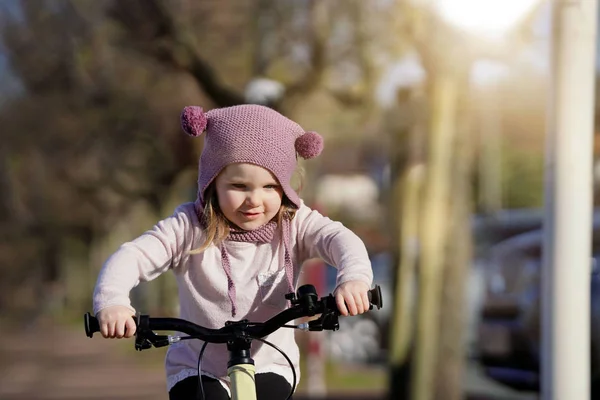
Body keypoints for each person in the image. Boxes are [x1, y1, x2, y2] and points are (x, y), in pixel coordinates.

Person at [93, 104, 374, 400]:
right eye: (239, 185)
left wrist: (354, 279)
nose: (255, 199)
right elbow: (133, 256)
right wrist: (113, 302)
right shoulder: (188, 227)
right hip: (198, 368)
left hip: (271, 363)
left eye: (270, 186)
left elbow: (339, 239)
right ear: (212, 182)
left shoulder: (294, 223)